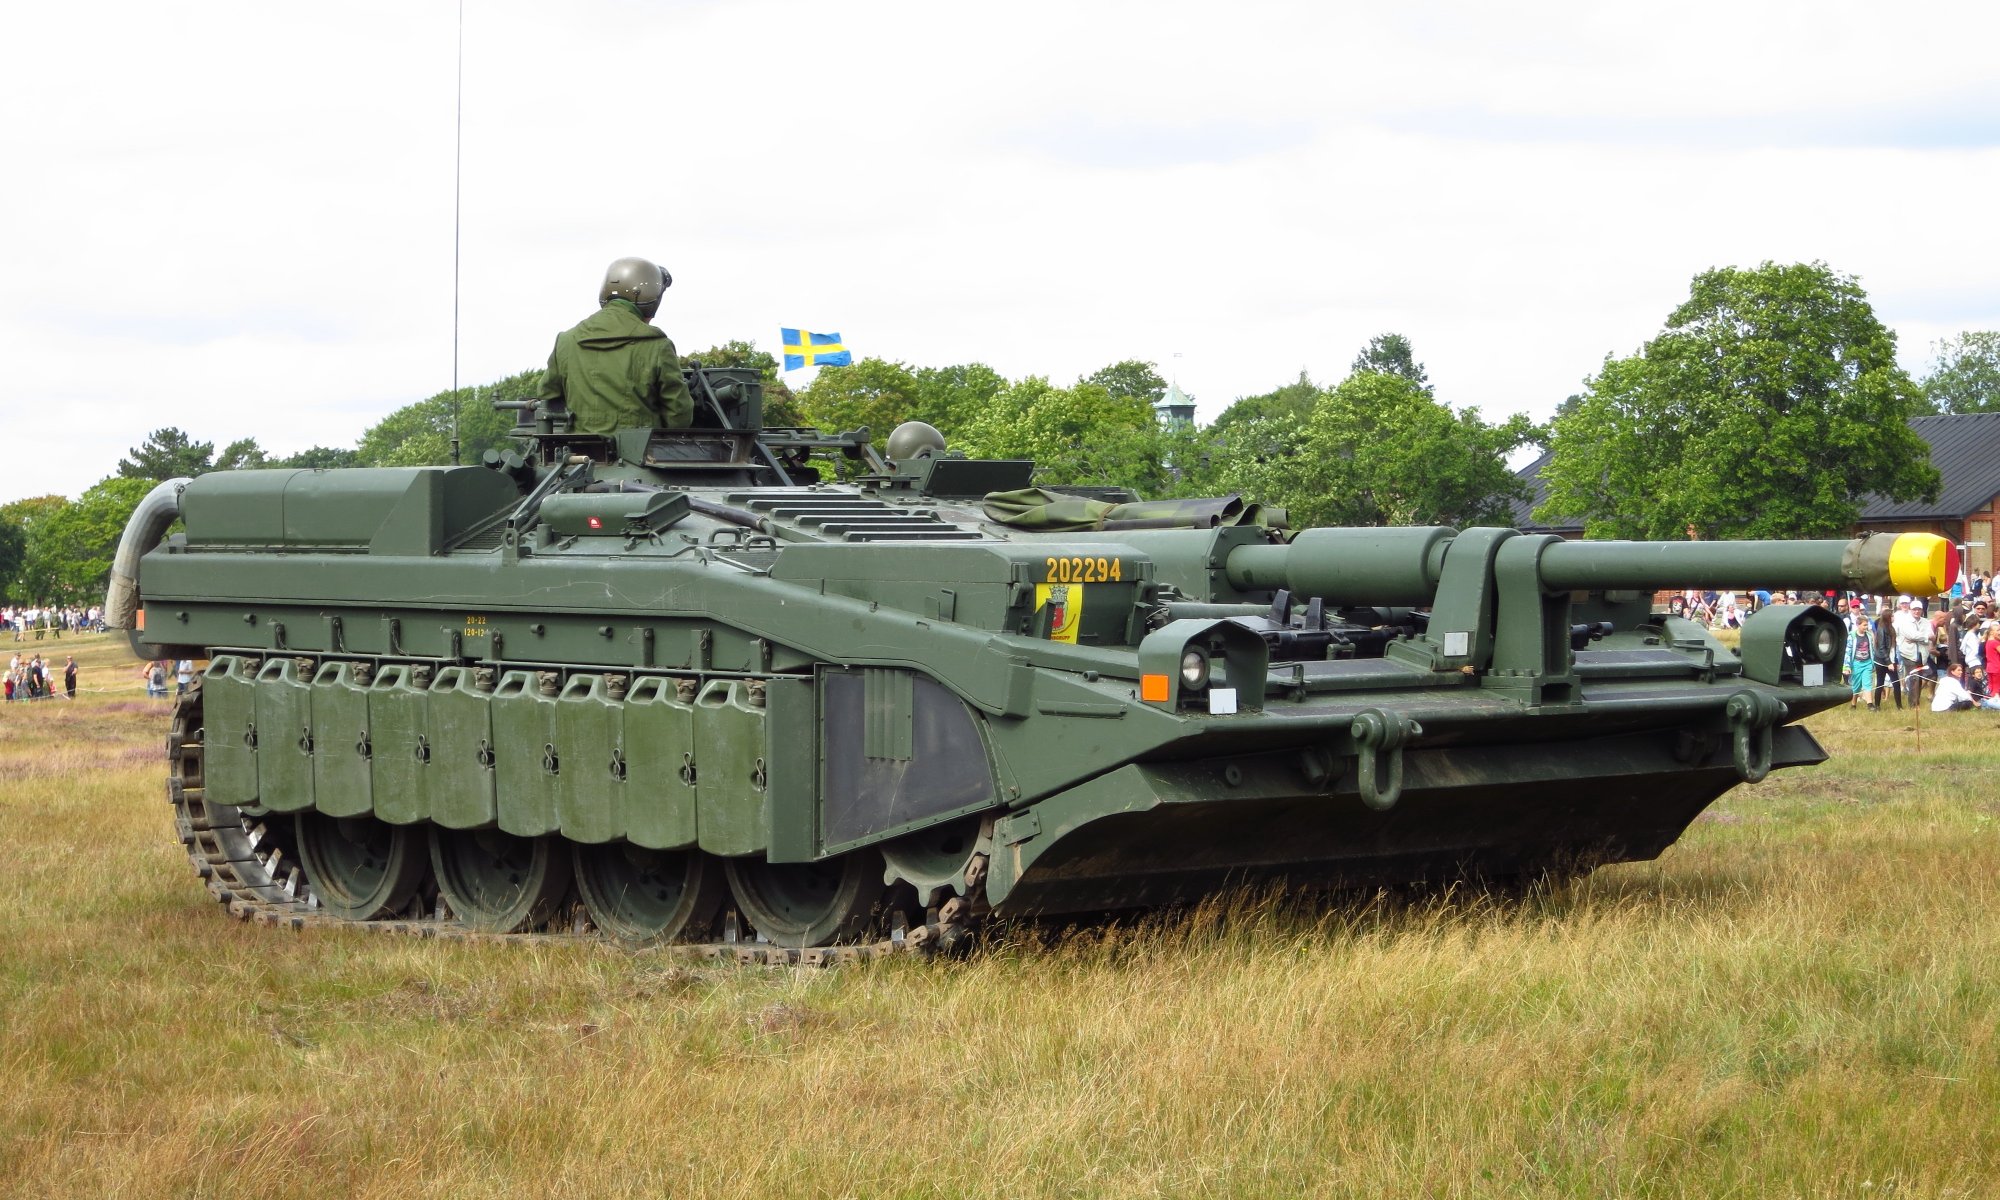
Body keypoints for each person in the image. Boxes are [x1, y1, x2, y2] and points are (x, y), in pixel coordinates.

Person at [533, 256, 691, 436]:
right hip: (641, 452)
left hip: (577, 450)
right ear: (648, 298)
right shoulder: (657, 346)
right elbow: (679, 414)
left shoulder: (566, 341)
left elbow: (547, 394)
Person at [1893, 596, 1930, 708]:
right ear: (1910, 610)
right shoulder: (1904, 621)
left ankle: (1916, 700)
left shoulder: (1926, 622)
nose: (1917, 611)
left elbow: (1931, 635)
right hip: (1908, 653)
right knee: (1914, 678)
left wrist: (1922, 638)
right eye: (1914, 609)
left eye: (1919, 609)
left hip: (1922, 654)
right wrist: (1924, 637)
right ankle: (1913, 704)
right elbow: (1911, 635)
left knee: (1919, 678)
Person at [1930, 661, 1998, 712]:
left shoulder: (1944, 680)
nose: (1961, 672)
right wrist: (1974, 702)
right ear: (1952, 672)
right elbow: (1965, 696)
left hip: (1934, 708)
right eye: (1958, 670)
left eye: (1961, 670)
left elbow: (1936, 692)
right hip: (1944, 708)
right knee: (1968, 702)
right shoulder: (1954, 682)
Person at [1845, 601, 1876, 708]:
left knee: (1868, 684)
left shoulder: (1869, 636)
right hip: (1856, 663)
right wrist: (1847, 666)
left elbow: (1872, 650)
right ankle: (1853, 703)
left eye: (1867, 625)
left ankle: (1870, 704)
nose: (1866, 627)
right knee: (1856, 686)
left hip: (1867, 663)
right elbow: (1848, 652)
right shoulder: (1852, 636)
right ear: (1858, 625)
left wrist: (1873, 663)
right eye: (1864, 625)